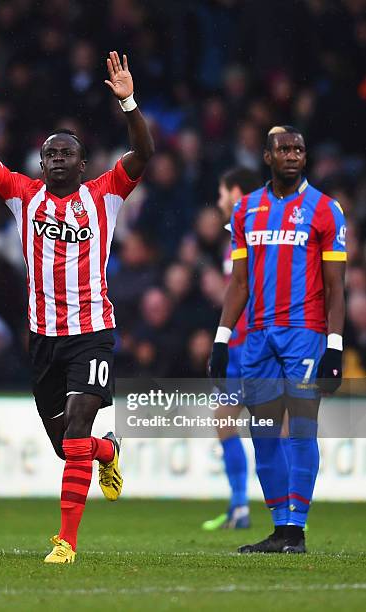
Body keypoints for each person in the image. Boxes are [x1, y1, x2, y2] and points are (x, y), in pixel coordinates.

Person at [0, 53, 154, 564]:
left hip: (92, 331)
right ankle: (108, 451)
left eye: (66, 153)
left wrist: (128, 102)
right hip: (42, 337)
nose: (56, 160)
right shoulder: (24, 197)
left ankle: (65, 543)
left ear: (82, 162)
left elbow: (143, 152)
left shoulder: (106, 194)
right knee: (68, 447)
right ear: (41, 163)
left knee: (74, 433)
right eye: (49, 154)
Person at [209, 126, 346, 553]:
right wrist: (221, 337)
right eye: (283, 149)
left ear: (305, 157)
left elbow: (337, 288)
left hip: (305, 336)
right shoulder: (246, 210)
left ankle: (297, 531)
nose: (292, 154)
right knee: (263, 432)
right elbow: (239, 283)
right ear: (267, 157)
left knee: (302, 431)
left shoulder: (325, 210)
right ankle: (280, 527)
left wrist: (335, 346)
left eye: (298, 149)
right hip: (257, 339)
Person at [203, 167, 261, 531]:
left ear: (236, 191)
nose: (219, 201)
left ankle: (287, 513)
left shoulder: (254, 233)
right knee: (225, 420)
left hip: (256, 343)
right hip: (238, 344)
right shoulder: (235, 236)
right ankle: (239, 505)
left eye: (223, 192)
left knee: (276, 426)